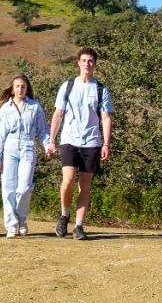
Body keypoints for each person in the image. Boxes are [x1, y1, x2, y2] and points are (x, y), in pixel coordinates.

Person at [48, 48, 114, 240]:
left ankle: (78, 225)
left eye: (91, 61)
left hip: (92, 142)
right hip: (69, 139)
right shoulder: (67, 86)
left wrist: (106, 144)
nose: (87, 64)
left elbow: (106, 118)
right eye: (84, 60)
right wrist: (51, 140)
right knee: (68, 180)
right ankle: (64, 215)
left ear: (95, 64)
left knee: (85, 186)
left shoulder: (101, 89)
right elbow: (58, 114)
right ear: (78, 62)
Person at [0, 74, 52, 237]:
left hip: (28, 146)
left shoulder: (35, 106)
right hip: (9, 147)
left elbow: (43, 130)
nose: (20, 89)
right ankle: (11, 226)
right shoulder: (5, 108)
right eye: (17, 86)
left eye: (23, 86)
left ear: (27, 88)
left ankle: (21, 217)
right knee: (8, 188)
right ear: (12, 88)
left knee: (24, 188)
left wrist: (48, 145)